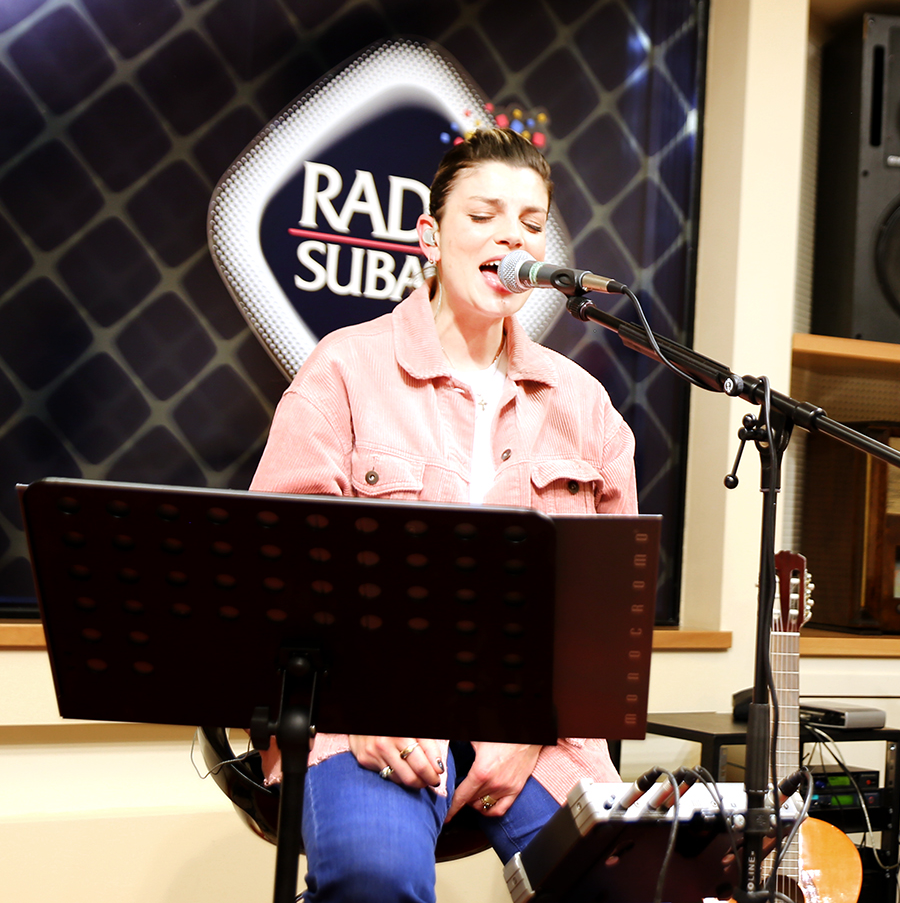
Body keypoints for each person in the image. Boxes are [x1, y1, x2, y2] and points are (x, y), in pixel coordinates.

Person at [250, 127, 638, 902]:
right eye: (484, 216)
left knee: (629, 885)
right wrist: (359, 706)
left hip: (536, 730)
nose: (512, 237)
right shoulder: (343, 369)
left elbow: (603, 612)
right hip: (370, 714)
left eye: (531, 223)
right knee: (374, 879)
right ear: (430, 236)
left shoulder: (584, 405)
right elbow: (281, 569)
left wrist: (532, 728)